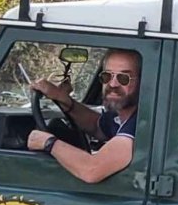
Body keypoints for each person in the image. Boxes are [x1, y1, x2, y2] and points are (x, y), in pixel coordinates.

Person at [26, 48, 140, 183]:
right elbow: (96, 126)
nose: (113, 84)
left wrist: (49, 143)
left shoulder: (139, 124)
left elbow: (91, 170)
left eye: (123, 78)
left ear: (142, 82)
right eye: (107, 76)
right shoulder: (122, 116)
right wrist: (62, 99)